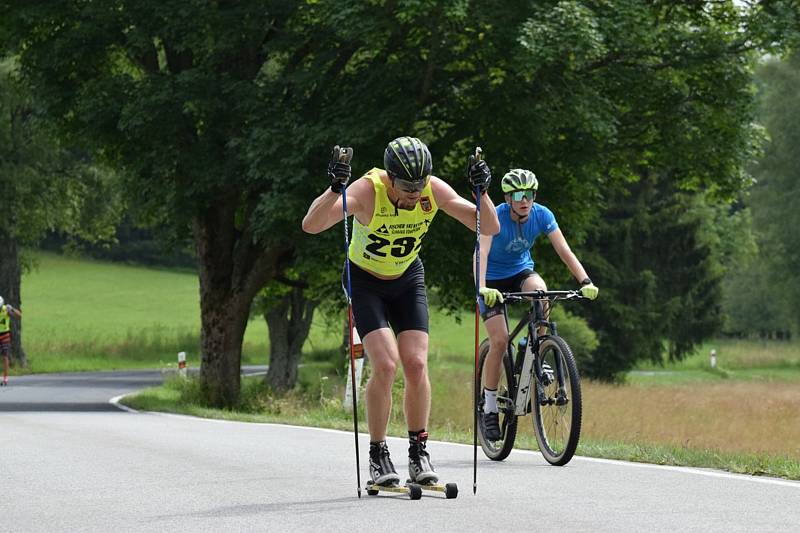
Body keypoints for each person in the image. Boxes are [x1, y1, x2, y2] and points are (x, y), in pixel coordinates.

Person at [302, 136, 500, 485]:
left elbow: (488, 225)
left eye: (420, 183)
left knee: (417, 362)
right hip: (365, 281)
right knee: (386, 364)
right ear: (389, 177)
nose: (414, 192)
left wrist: (482, 191)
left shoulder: (431, 190)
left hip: (408, 277)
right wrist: (334, 188)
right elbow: (312, 225)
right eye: (407, 185)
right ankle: (378, 454)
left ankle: (418, 451)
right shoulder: (367, 190)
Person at [475, 169, 598, 440]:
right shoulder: (493, 216)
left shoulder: (543, 214)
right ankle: (490, 408)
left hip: (520, 272)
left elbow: (564, 250)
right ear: (507, 198)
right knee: (499, 340)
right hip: (491, 278)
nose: (524, 200)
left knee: (541, 293)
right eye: (518, 195)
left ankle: (538, 349)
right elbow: (481, 251)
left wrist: (585, 280)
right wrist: (482, 287)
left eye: (529, 194)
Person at [0, 295, 22, 387]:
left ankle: (5, 378)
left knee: (5, 356)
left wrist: (12, 309)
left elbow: (19, 316)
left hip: (5, 335)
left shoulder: (6, 310)